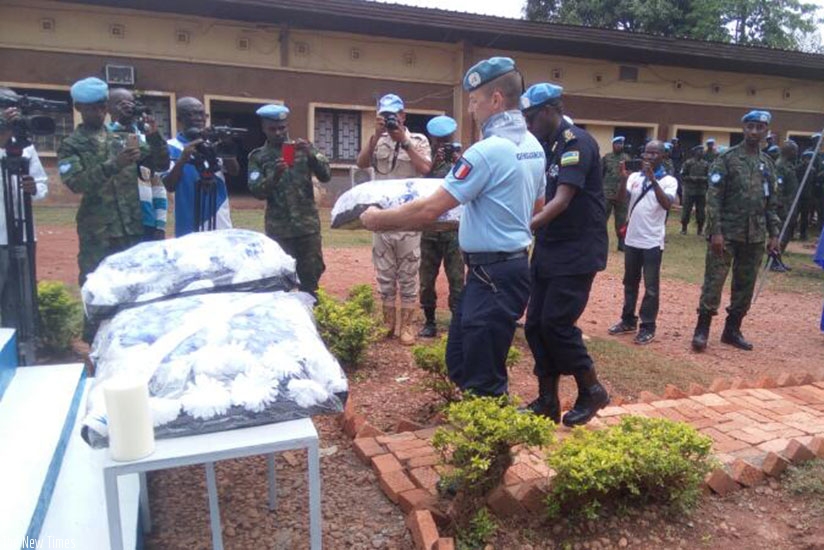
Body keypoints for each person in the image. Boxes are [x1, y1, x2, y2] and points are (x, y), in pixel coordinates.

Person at [360, 57, 545, 397]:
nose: (472, 110)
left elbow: (430, 209)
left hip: (493, 274)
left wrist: (376, 219)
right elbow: (536, 206)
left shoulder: (486, 152)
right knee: (461, 358)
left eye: (474, 101)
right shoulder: (533, 147)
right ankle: (477, 426)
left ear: (496, 100)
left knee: (482, 376)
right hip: (509, 269)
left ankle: (490, 444)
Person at [520, 82, 610, 427]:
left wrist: (521, 228)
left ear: (548, 111)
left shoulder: (577, 144)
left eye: (531, 117)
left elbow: (561, 201)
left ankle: (592, 389)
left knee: (556, 324)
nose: (528, 125)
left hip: (576, 250)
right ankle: (547, 400)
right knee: (535, 326)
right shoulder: (546, 145)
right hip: (549, 247)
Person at [58, 77, 169, 343]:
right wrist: (113, 164)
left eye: (100, 106)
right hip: (98, 229)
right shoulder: (72, 144)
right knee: (96, 285)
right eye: (90, 107)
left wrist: (154, 135)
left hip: (130, 226)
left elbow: (160, 163)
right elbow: (76, 183)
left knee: (132, 285)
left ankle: (130, 339)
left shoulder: (122, 137)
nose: (97, 112)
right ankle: (94, 342)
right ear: (78, 108)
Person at [691, 110, 781, 352]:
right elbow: (713, 199)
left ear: (766, 131)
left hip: (755, 235)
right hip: (727, 234)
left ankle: (732, 330)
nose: (754, 131)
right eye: (750, 126)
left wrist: (774, 234)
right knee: (714, 281)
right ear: (743, 128)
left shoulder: (767, 164)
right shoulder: (727, 159)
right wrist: (716, 232)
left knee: (745, 284)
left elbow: (771, 203)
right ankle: (702, 329)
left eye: (759, 128)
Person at [356, 93, 431, 345]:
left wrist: (405, 142)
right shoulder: (376, 141)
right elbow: (361, 162)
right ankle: (388, 323)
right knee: (384, 273)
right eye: (385, 115)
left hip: (409, 217)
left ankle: (407, 325)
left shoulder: (418, 140)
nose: (390, 119)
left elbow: (426, 169)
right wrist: (376, 136)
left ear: (403, 116)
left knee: (409, 271)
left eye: (394, 115)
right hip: (382, 216)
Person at [247, 104, 331, 297]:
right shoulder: (258, 157)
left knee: (311, 278)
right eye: (272, 129)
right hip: (279, 229)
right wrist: (274, 176)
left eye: (282, 127)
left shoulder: (303, 149)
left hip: (307, 227)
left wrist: (312, 153)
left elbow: (326, 175)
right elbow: (257, 191)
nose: (278, 132)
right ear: (263, 128)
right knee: (280, 280)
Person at [607, 141, 677, 345]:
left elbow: (667, 204)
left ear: (663, 156)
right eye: (647, 152)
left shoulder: (669, 180)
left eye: (655, 153)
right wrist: (622, 180)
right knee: (630, 282)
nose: (650, 156)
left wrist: (653, 180)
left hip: (652, 241)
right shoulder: (635, 178)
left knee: (651, 286)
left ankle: (648, 326)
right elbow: (621, 200)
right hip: (632, 239)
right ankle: (628, 320)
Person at [0, 105, 48, 328]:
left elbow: (41, 184)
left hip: (23, 235)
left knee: (21, 302)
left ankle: (22, 349)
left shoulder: (25, 148)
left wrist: (32, 188)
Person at [163, 97, 239, 237]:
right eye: (191, 114)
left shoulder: (213, 143)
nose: (198, 118)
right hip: (189, 219)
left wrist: (226, 145)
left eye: (201, 114)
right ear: (179, 119)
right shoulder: (170, 147)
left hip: (218, 216)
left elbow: (234, 171)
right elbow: (169, 185)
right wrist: (183, 159)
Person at [418, 115, 464, 337]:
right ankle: (429, 321)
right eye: (438, 141)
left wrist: (459, 162)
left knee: (457, 279)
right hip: (430, 229)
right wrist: (434, 163)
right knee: (426, 280)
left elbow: (470, 182)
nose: (442, 145)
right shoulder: (427, 159)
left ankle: (457, 322)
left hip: (454, 230)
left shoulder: (464, 158)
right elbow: (420, 184)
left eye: (446, 140)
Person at [107, 88, 168, 241]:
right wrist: (121, 123)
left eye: (131, 103)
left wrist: (160, 224)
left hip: (145, 218)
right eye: (121, 104)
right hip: (113, 220)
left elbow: (159, 172)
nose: (128, 107)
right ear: (108, 108)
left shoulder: (146, 136)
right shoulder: (101, 135)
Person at [601, 136, 630, 251]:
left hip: (622, 193)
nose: (620, 146)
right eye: (617, 144)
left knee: (621, 219)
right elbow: (600, 174)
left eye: (621, 144)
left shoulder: (627, 158)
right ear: (613, 145)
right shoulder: (606, 158)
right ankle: (601, 242)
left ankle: (621, 243)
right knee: (602, 218)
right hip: (607, 193)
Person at [774, 140, 799, 269]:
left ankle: (779, 258)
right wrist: (781, 205)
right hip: (783, 206)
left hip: (791, 204)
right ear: (788, 151)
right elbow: (778, 188)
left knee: (788, 231)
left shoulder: (789, 165)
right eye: (795, 150)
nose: (797, 153)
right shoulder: (780, 165)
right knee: (781, 233)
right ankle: (773, 261)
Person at [679, 145, 709, 235]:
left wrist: (703, 179)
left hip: (701, 191)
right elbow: (683, 175)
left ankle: (700, 229)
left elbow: (710, 176)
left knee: (701, 211)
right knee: (686, 210)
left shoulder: (706, 164)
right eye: (700, 150)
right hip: (690, 190)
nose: (702, 152)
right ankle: (684, 228)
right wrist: (692, 178)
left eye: (702, 151)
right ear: (695, 152)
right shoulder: (688, 163)